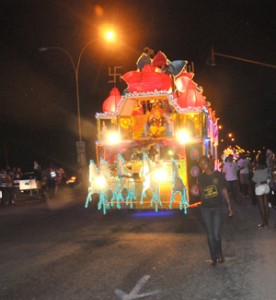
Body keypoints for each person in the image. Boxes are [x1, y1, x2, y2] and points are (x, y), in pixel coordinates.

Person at [198, 155, 233, 267]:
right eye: (201, 164)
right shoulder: (201, 177)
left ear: (209, 163)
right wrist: (196, 190)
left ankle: (220, 255)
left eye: (204, 163)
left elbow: (224, 190)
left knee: (217, 234)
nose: (203, 166)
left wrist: (229, 205)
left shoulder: (218, 175)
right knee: (210, 235)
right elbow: (201, 192)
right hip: (206, 208)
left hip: (217, 207)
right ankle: (213, 258)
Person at [252, 151, 271, 228]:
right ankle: (267, 222)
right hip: (266, 186)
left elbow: (254, 179)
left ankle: (264, 223)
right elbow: (269, 176)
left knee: (261, 206)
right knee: (266, 205)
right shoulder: (267, 167)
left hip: (259, 186)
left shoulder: (257, 167)